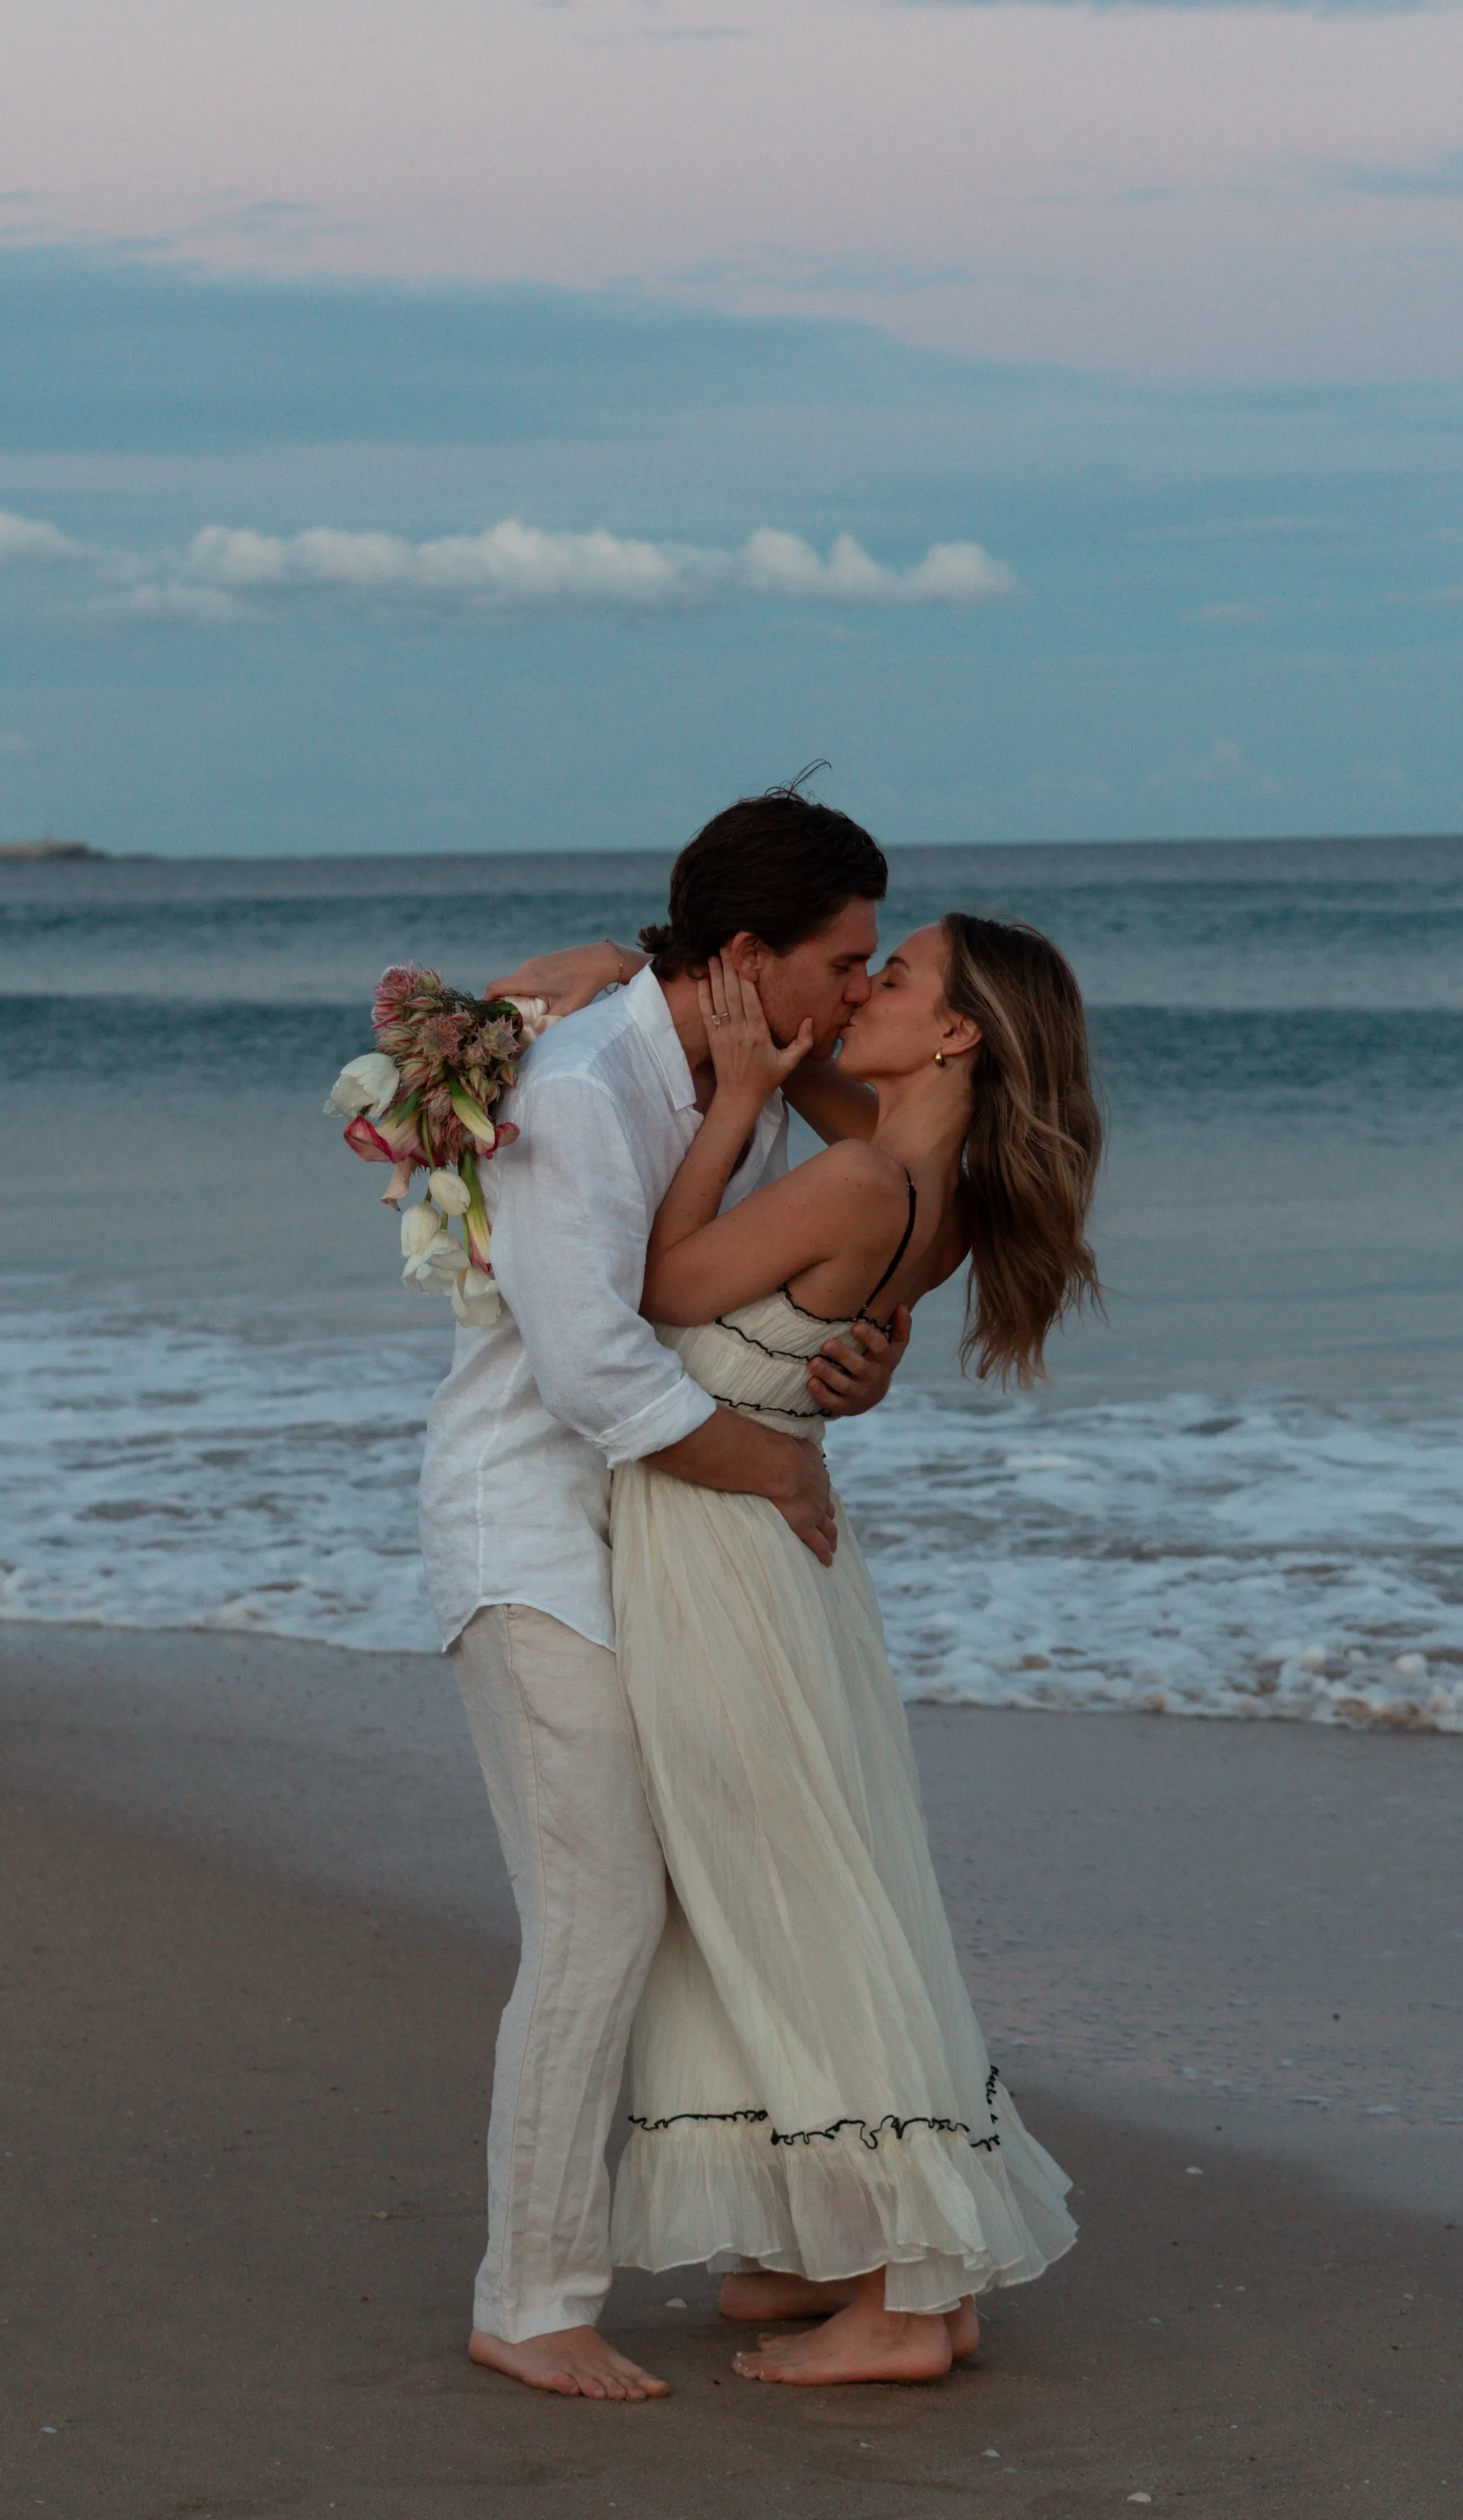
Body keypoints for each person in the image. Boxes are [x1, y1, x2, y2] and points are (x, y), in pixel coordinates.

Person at [421, 784, 912, 2402]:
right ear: (749, 954)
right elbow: (590, 1368)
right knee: (599, 1913)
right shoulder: (582, 1087)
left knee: (712, 1881)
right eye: (844, 961)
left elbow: (785, 1264)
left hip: (655, 1536)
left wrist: (855, 1353)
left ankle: (793, 2241)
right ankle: (531, 2296)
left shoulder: (735, 1074)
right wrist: (776, 1469)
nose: (860, 988)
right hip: (533, 1539)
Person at [603, 912, 1101, 2383]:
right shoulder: (926, 1183)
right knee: (810, 1883)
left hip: (731, 1552)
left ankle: (904, 2294)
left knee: (795, 1903)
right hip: (773, 1551)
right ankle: (871, 2252)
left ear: (954, 1033)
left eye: (895, 975)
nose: (861, 988)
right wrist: (642, 989)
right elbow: (809, 1082)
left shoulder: (862, 1176)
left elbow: (655, 1287)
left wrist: (734, 1103)